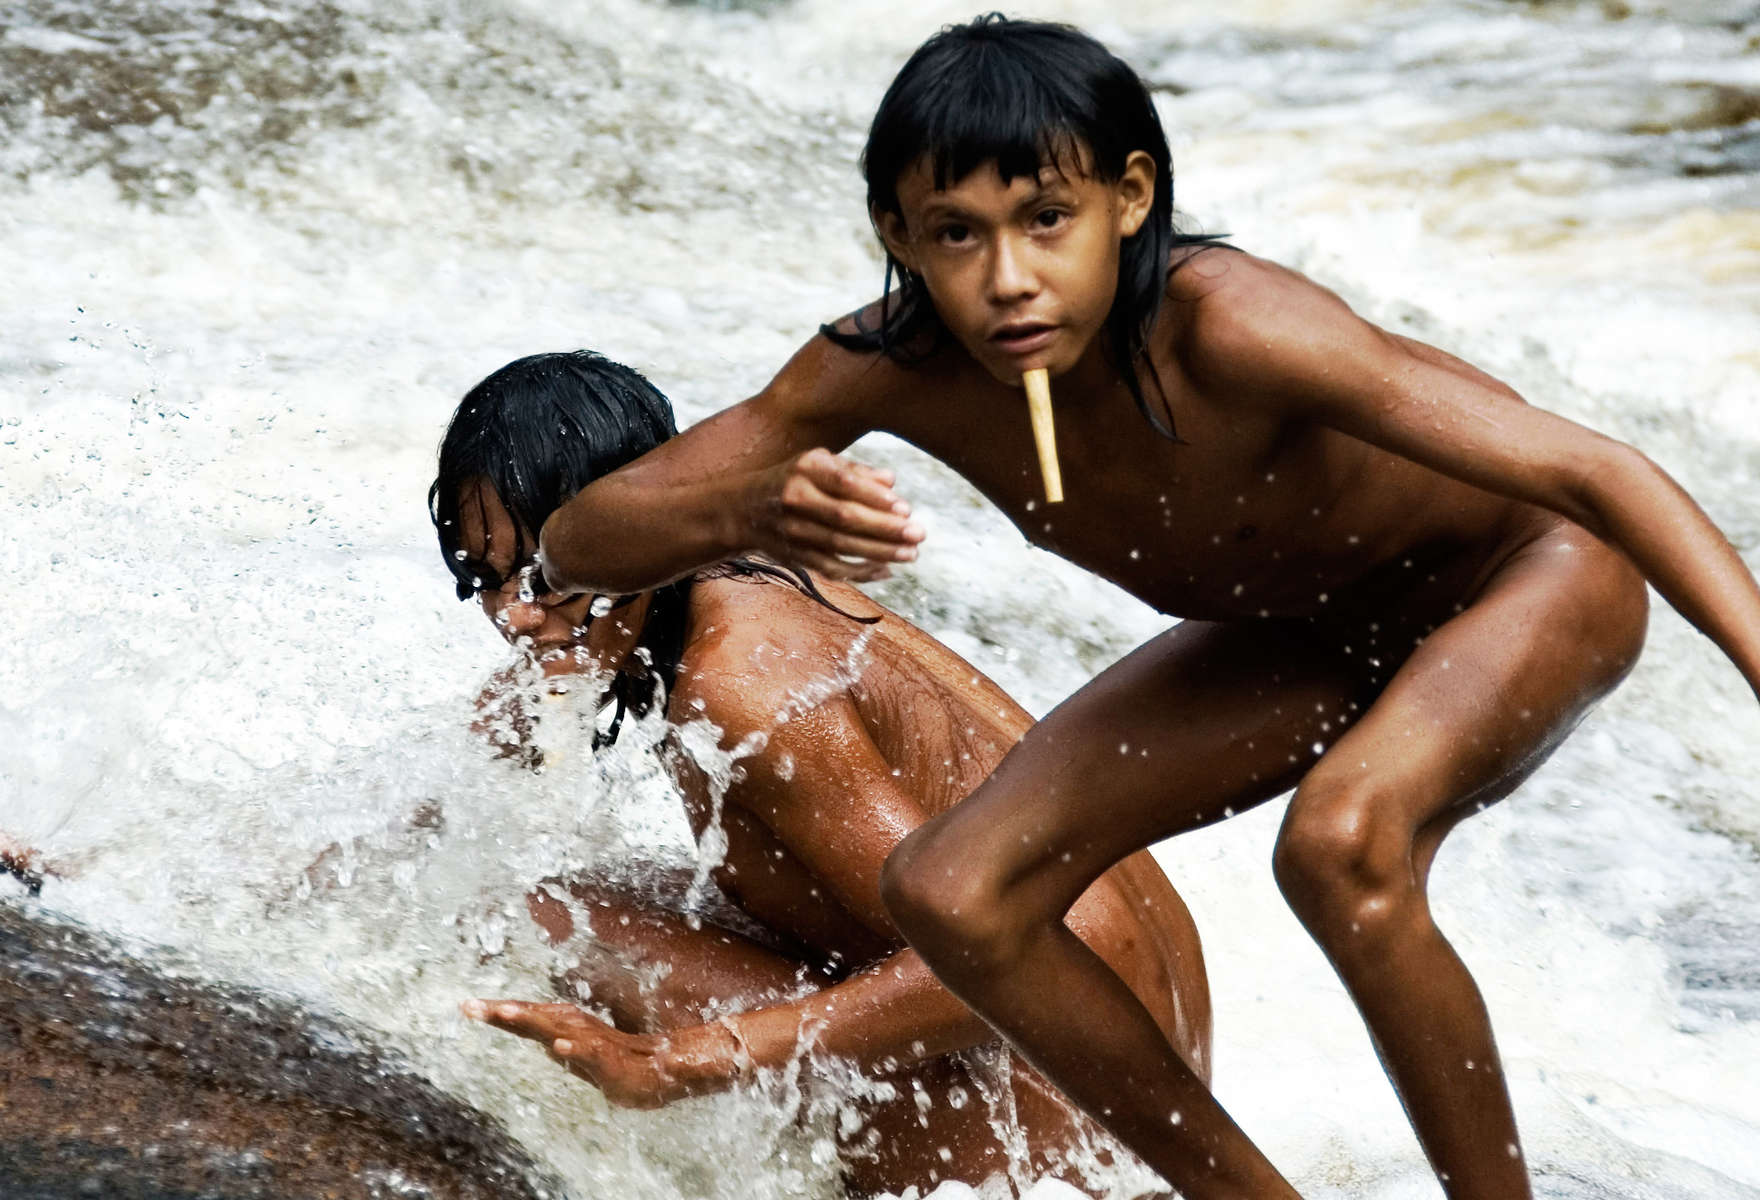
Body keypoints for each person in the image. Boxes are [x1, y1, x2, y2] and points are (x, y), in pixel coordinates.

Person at [523, 16, 1760, 1200]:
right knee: (955, 889)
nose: (1009, 279)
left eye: (1046, 220)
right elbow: (581, 536)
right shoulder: (884, 366)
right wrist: (747, 514)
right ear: (897, 237)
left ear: (1130, 197)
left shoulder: (1237, 327)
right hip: (1306, 629)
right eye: (956, 235)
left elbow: (1596, 472)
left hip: (1527, 575)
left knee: (1341, 848)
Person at [432, 351, 1213, 1197]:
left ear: (631, 526)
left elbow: (1015, 947)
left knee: (543, 915)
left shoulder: (742, 685)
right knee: (598, 892)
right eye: (485, 577)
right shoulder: (745, 580)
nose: (514, 614)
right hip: (1159, 1102)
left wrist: (680, 1063)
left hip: (1055, 1125)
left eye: (543, 575)